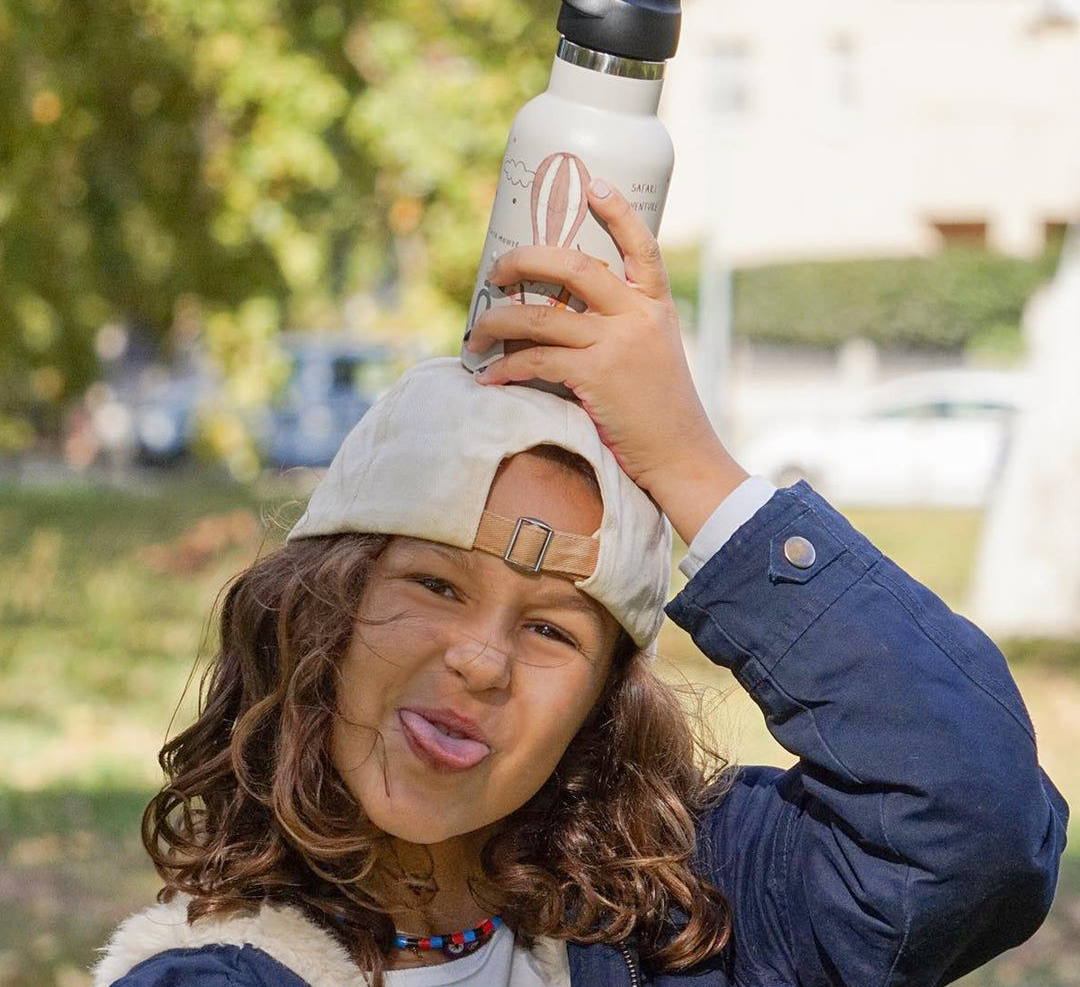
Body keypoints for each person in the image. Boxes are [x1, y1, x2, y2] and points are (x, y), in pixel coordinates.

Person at [93, 180, 1067, 987]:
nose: (479, 660)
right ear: (321, 616)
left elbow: (974, 825)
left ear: (601, 705)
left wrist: (691, 464)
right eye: (435, 584)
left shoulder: (681, 926)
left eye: (554, 630)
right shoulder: (213, 975)